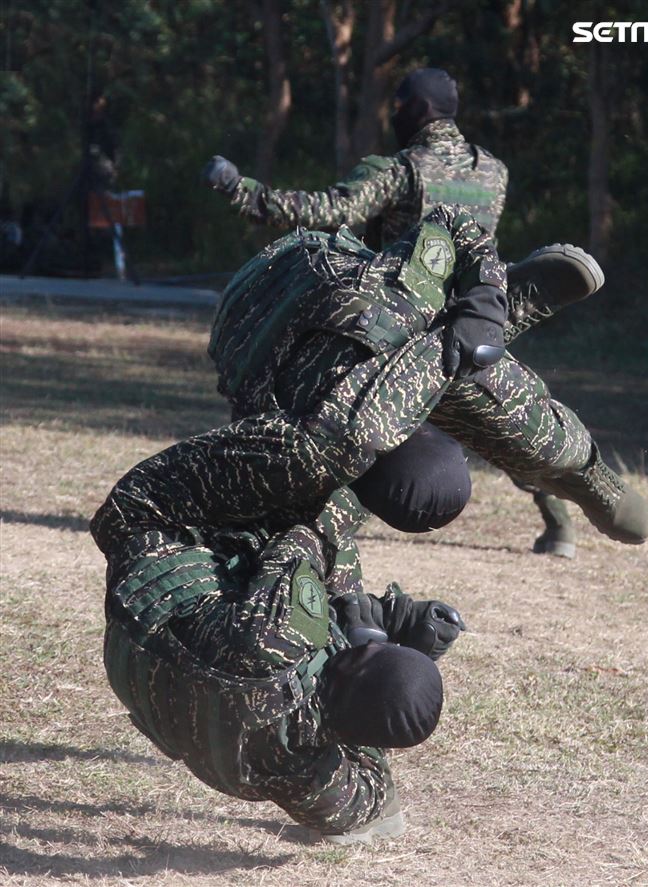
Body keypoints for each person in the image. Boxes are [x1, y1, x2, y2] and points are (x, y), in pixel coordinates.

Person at [92, 322, 470, 844]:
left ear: (351, 661)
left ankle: (449, 344)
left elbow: (302, 537)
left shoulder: (279, 635)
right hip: (140, 673)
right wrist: (386, 627)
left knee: (315, 465)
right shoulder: (307, 771)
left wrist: (370, 480)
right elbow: (372, 803)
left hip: (143, 525)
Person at [203, 66, 585, 557]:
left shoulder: (403, 170)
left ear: (414, 110)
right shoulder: (492, 170)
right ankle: (560, 528)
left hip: (399, 325)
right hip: (476, 320)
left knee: (343, 422)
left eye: (398, 106)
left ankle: (305, 528)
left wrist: (241, 189)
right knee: (501, 420)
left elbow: (324, 212)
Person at [208, 202, 648, 552]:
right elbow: (308, 546)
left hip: (316, 279)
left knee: (512, 412)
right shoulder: (300, 460)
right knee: (464, 379)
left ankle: (501, 304)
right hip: (249, 335)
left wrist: (483, 302)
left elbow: (453, 222)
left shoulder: (393, 307)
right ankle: (488, 312)